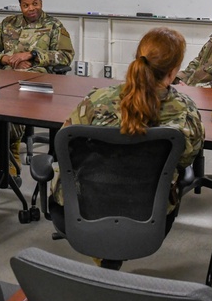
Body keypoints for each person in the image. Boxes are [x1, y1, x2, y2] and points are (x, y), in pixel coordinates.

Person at [56, 27, 204, 219]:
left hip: (84, 206)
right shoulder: (186, 111)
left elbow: (65, 142)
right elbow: (185, 159)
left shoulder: (96, 100)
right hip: (149, 211)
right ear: (173, 71)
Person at [0, 0, 75, 170]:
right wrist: (8, 59)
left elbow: (65, 55)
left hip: (39, 77)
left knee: (18, 93)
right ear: (20, 6)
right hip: (7, 72)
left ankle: (11, 147)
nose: (31, 8)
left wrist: (32, 55)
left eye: (35, 4)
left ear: (41, 3)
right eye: (26, 5)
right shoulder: (8, 24)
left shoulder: (54, 25)